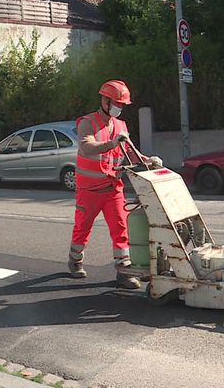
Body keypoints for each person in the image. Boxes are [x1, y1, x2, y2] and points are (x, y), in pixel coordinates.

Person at [68, 80, 163, 289]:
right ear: (105, 101)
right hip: (89, 189)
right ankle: (75, 260)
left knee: (121, 228)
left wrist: (147, 160)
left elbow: (129, 151)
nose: (119, 108)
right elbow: (86, 148)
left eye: (122, 105)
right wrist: (113, 143)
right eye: (117, 104)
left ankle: (124, 270)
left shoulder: (121, 125)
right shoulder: (87, 122)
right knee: (83, 228)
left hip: (112, 187)